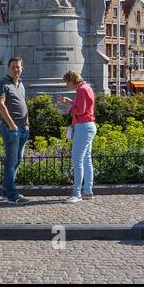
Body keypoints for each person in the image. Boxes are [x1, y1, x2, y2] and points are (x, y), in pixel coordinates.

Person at [0, 56, 30, 204]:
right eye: (13, 66)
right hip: (11, 129)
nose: (16, 69)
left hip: (22, 128)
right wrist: (11, 125)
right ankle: (11, 194)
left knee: (17, 160)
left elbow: (23, 104)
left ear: (22, 69)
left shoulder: (21, 84)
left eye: (18, 67)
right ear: (8, 68)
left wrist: (27, 122)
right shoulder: (3, 84)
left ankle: (6, 191)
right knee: (11, 161)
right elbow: (0, 105)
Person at [57, 69, 96, 203]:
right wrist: (71, 102)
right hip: (89, 125)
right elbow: (83, 107)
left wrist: (69, 109)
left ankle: (77, 193)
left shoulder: (81, 90)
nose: (67, 86)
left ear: (71, 81)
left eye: (67, 83)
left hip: (83, 126)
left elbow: (80, 110)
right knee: (86, 160)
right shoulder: (87, 88)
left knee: (77, 160)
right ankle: (87, 191)